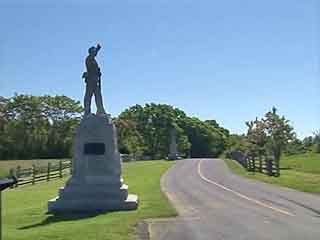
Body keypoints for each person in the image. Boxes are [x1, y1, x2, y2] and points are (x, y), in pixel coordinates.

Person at [83, 43, 106, 116]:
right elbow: (92, 70)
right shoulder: (89, 58)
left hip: (95, 80)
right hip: (90, 80)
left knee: (98, 96)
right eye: (93, 51)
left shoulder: (93, 59)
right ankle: (87, 112)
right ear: (91, 52)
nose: (95, 53)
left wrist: (98, 73)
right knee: (88, 96)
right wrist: (97, 49)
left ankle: (100, 110)